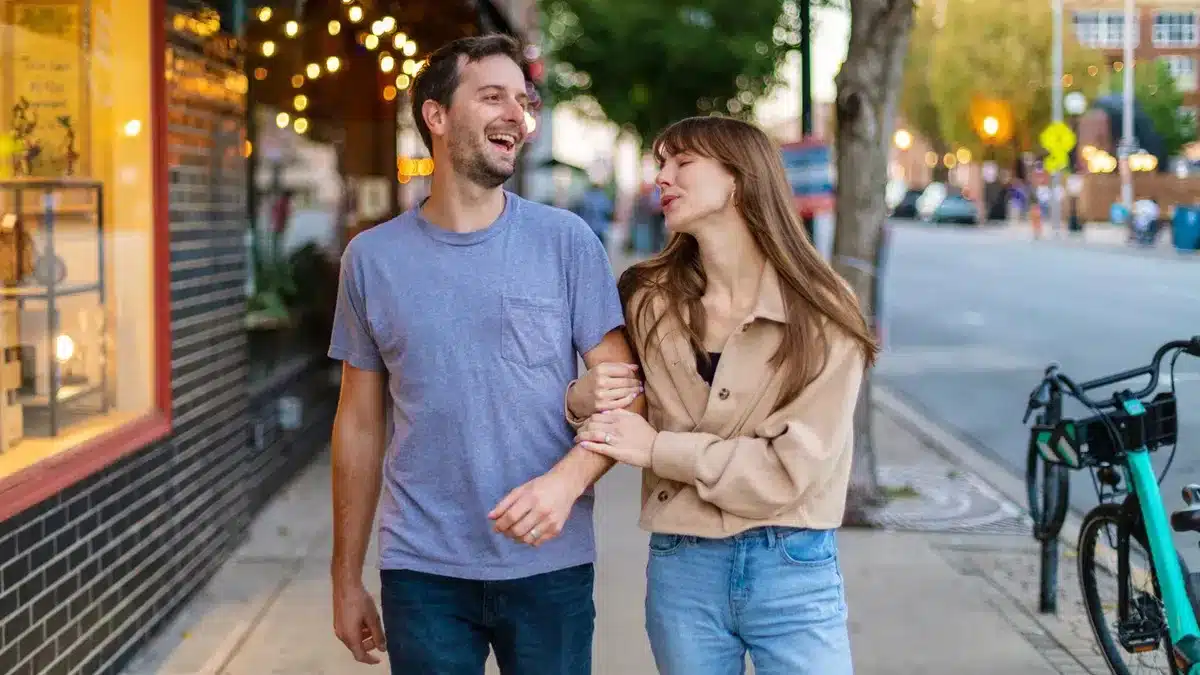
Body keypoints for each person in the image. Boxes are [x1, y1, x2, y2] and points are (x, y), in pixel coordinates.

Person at [327, 33, 642, 675]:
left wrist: (565, 484)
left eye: (522, 102)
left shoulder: (565, 242)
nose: (515, 115)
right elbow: (358, 424)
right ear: (436, 116)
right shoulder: (371, 259)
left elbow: (626, 394)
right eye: (493, 96)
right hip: (421, 568)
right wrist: (345, 576)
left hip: (549, 561)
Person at [564, 116, 878, 675]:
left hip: (792, 562)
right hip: (682, 566)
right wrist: (581, 399)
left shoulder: (824, 310)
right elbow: (621, 406)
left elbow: (789, 472)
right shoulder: (646, 299)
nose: (663, 177)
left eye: (683, 162)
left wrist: (658, 450)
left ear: (738, 180)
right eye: (661, 163)